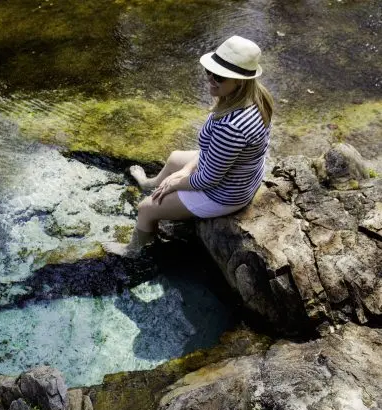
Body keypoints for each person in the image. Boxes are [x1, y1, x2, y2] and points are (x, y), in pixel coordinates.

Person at [103, 35, 273, 257]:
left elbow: (210, 179)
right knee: (175, 158)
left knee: (146, 208)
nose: (210, 79)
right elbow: (212, 152)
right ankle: (149, 183)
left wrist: (177, 184)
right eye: (209, 72)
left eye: (219, 77)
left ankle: (133, 250)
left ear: (240, 80)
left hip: (225, 193)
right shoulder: (257, 97)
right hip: (241, 176)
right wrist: (184, 170)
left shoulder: (232, 127)